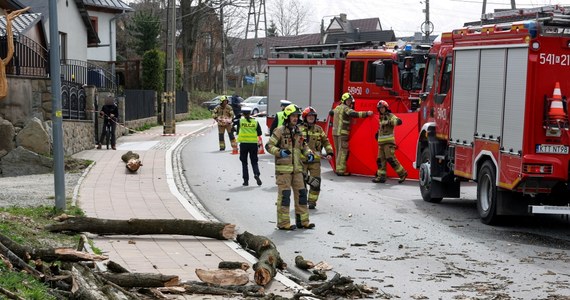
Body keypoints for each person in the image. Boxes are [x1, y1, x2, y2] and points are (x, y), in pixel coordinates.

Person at [265, 104, 315, 230]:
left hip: (297, 169)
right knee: (285, 197)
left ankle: (303, 221)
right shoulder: (279, 131)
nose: (295, 118)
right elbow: (269, 146)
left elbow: (304, 146)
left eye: (297, 116)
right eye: (293, 116)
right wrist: (279, 152)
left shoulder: (298, 131)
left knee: (302, 195)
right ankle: (283, 223)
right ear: (287, 117)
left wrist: (309, 154)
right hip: (284, 171)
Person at [330, 92, 373, 176]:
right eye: (348, 101)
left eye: (350, 101)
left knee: (338, 151)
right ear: (344, 100)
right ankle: (341, 170)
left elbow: (331, 113)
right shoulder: (346, 108)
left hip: (335, 133)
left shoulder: (337, 108)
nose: (349, 102)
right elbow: (354, 114)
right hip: (343, 133)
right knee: (343, 152)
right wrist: (367, 113)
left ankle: (338, 168)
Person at [299, 107, 334, 209]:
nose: (311, 118)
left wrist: (330, 152)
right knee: (301, 182)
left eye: (313, 116)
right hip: (302, 161)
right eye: (309, 116)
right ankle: (302, 200)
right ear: (305, 117)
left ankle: (312, 201)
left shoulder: (319, 129)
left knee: (316, 182)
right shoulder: (298, 129)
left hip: (315, 161)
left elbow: (326, 141)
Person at [373, 100, 407, 184]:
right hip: (381, 143)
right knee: (380, 160)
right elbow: (382, 128)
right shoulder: (380, 117)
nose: (381, 109)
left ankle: (403, 173)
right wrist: (378, 133)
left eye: (382, 108)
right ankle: (381, 177)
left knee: (390, 159)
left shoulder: (390, 116)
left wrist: (388, 122)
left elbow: (399, 121)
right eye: (379, 108)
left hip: (388, 143)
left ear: (386, 108)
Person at [237, 106, 263, 186]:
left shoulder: (240, 121)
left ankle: (246, 181)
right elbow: (260, 133)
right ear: (250, 113)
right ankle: (256, 174)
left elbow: (237, 131)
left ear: (243, 114)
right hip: (253, 144)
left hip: (244, 144)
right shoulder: (255, 122)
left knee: (244, 163)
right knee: (254, 161)